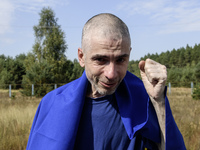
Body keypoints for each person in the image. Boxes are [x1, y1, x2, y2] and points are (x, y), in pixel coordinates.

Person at [26, 13, 186, 150]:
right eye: (101, 60)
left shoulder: (143, 97)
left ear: (129, 54)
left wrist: (158, 101)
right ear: (81, 57)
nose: (111, 74)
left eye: (120, 60)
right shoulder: (52, 103)